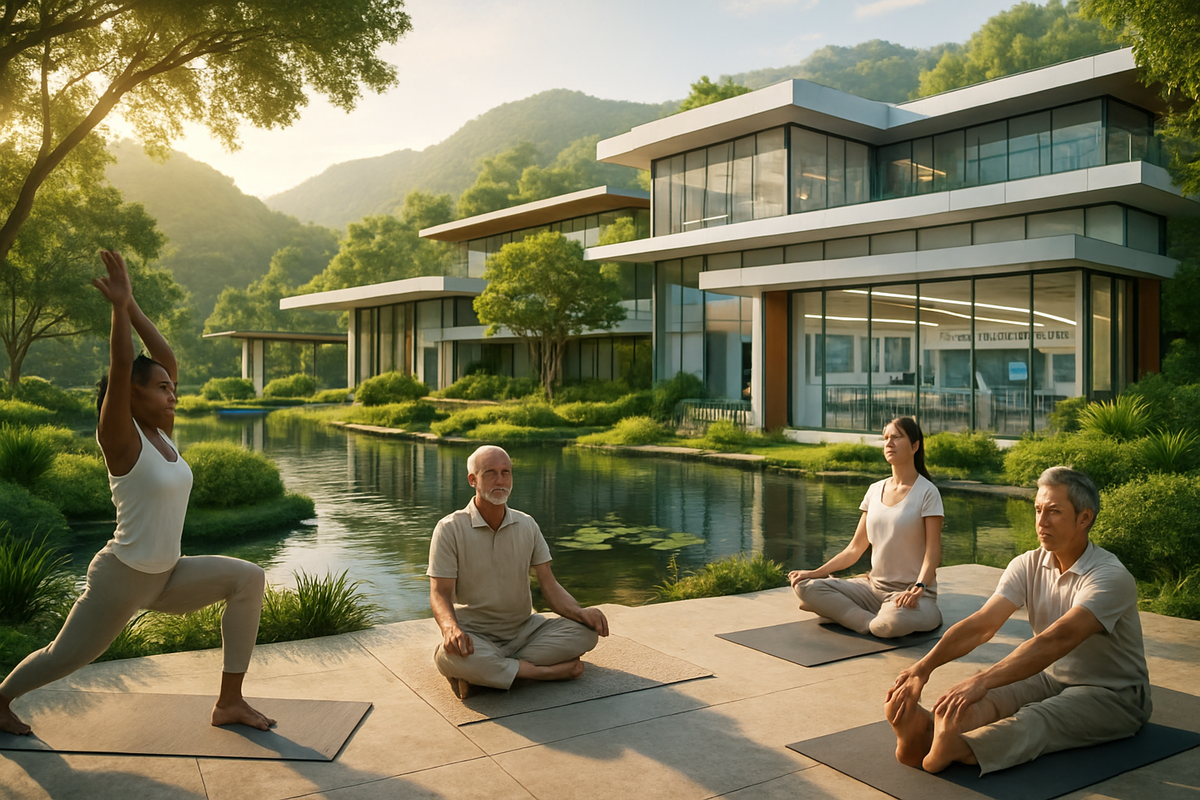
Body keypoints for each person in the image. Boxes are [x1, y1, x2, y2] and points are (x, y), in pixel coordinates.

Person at [0, 250, 274, 736]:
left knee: (248, 579)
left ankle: (229, 702)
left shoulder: (163, 435)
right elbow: (125, 362)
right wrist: (117, 309)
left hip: (167, 574)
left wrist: (134, 307)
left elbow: (162, 358)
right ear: (131, 393)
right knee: (63, 658)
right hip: (122, 577)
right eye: (163, 388)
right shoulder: (120, 438)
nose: (174, 393)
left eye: (173, 388)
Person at [885, 466, 1151, 775]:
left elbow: (1056, 640)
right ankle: (926, 730)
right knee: (974, 701)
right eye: (1038, 509)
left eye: (1054, 512)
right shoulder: (1028, 564)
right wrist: (924, 667)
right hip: (1049, 677)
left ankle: (959, 749)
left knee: (1038, 719)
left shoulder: (1109, 576)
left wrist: (980, 680)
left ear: (1084, 518)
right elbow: (982, 624)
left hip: (1114, 694)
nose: (1041, 521)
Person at [428, 445, 609, 699]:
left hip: (525, 630)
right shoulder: (449, 529)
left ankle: (489, 676)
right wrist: (450, 630)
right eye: (490, 473)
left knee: (585, 632)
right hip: (474, 636)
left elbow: (549, 585)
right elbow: (439, 594)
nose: (500, 480)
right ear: (473, 479)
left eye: (506, 472)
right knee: (448, 656)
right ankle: (541, 673)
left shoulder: (527, 524)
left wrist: (580, 613)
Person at [789, 417, 944, 638]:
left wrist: (920, 587)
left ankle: (844, 614)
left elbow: (933, 551)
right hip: (872, 590)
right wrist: (815, 573)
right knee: (806, 587)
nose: (889, 443)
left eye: (896, 437)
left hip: (910, 594)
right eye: (886, 438)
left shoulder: (927, 492)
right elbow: (854, 548)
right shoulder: (874, 490)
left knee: (890, 623)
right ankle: (865, 621)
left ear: (914, 446)